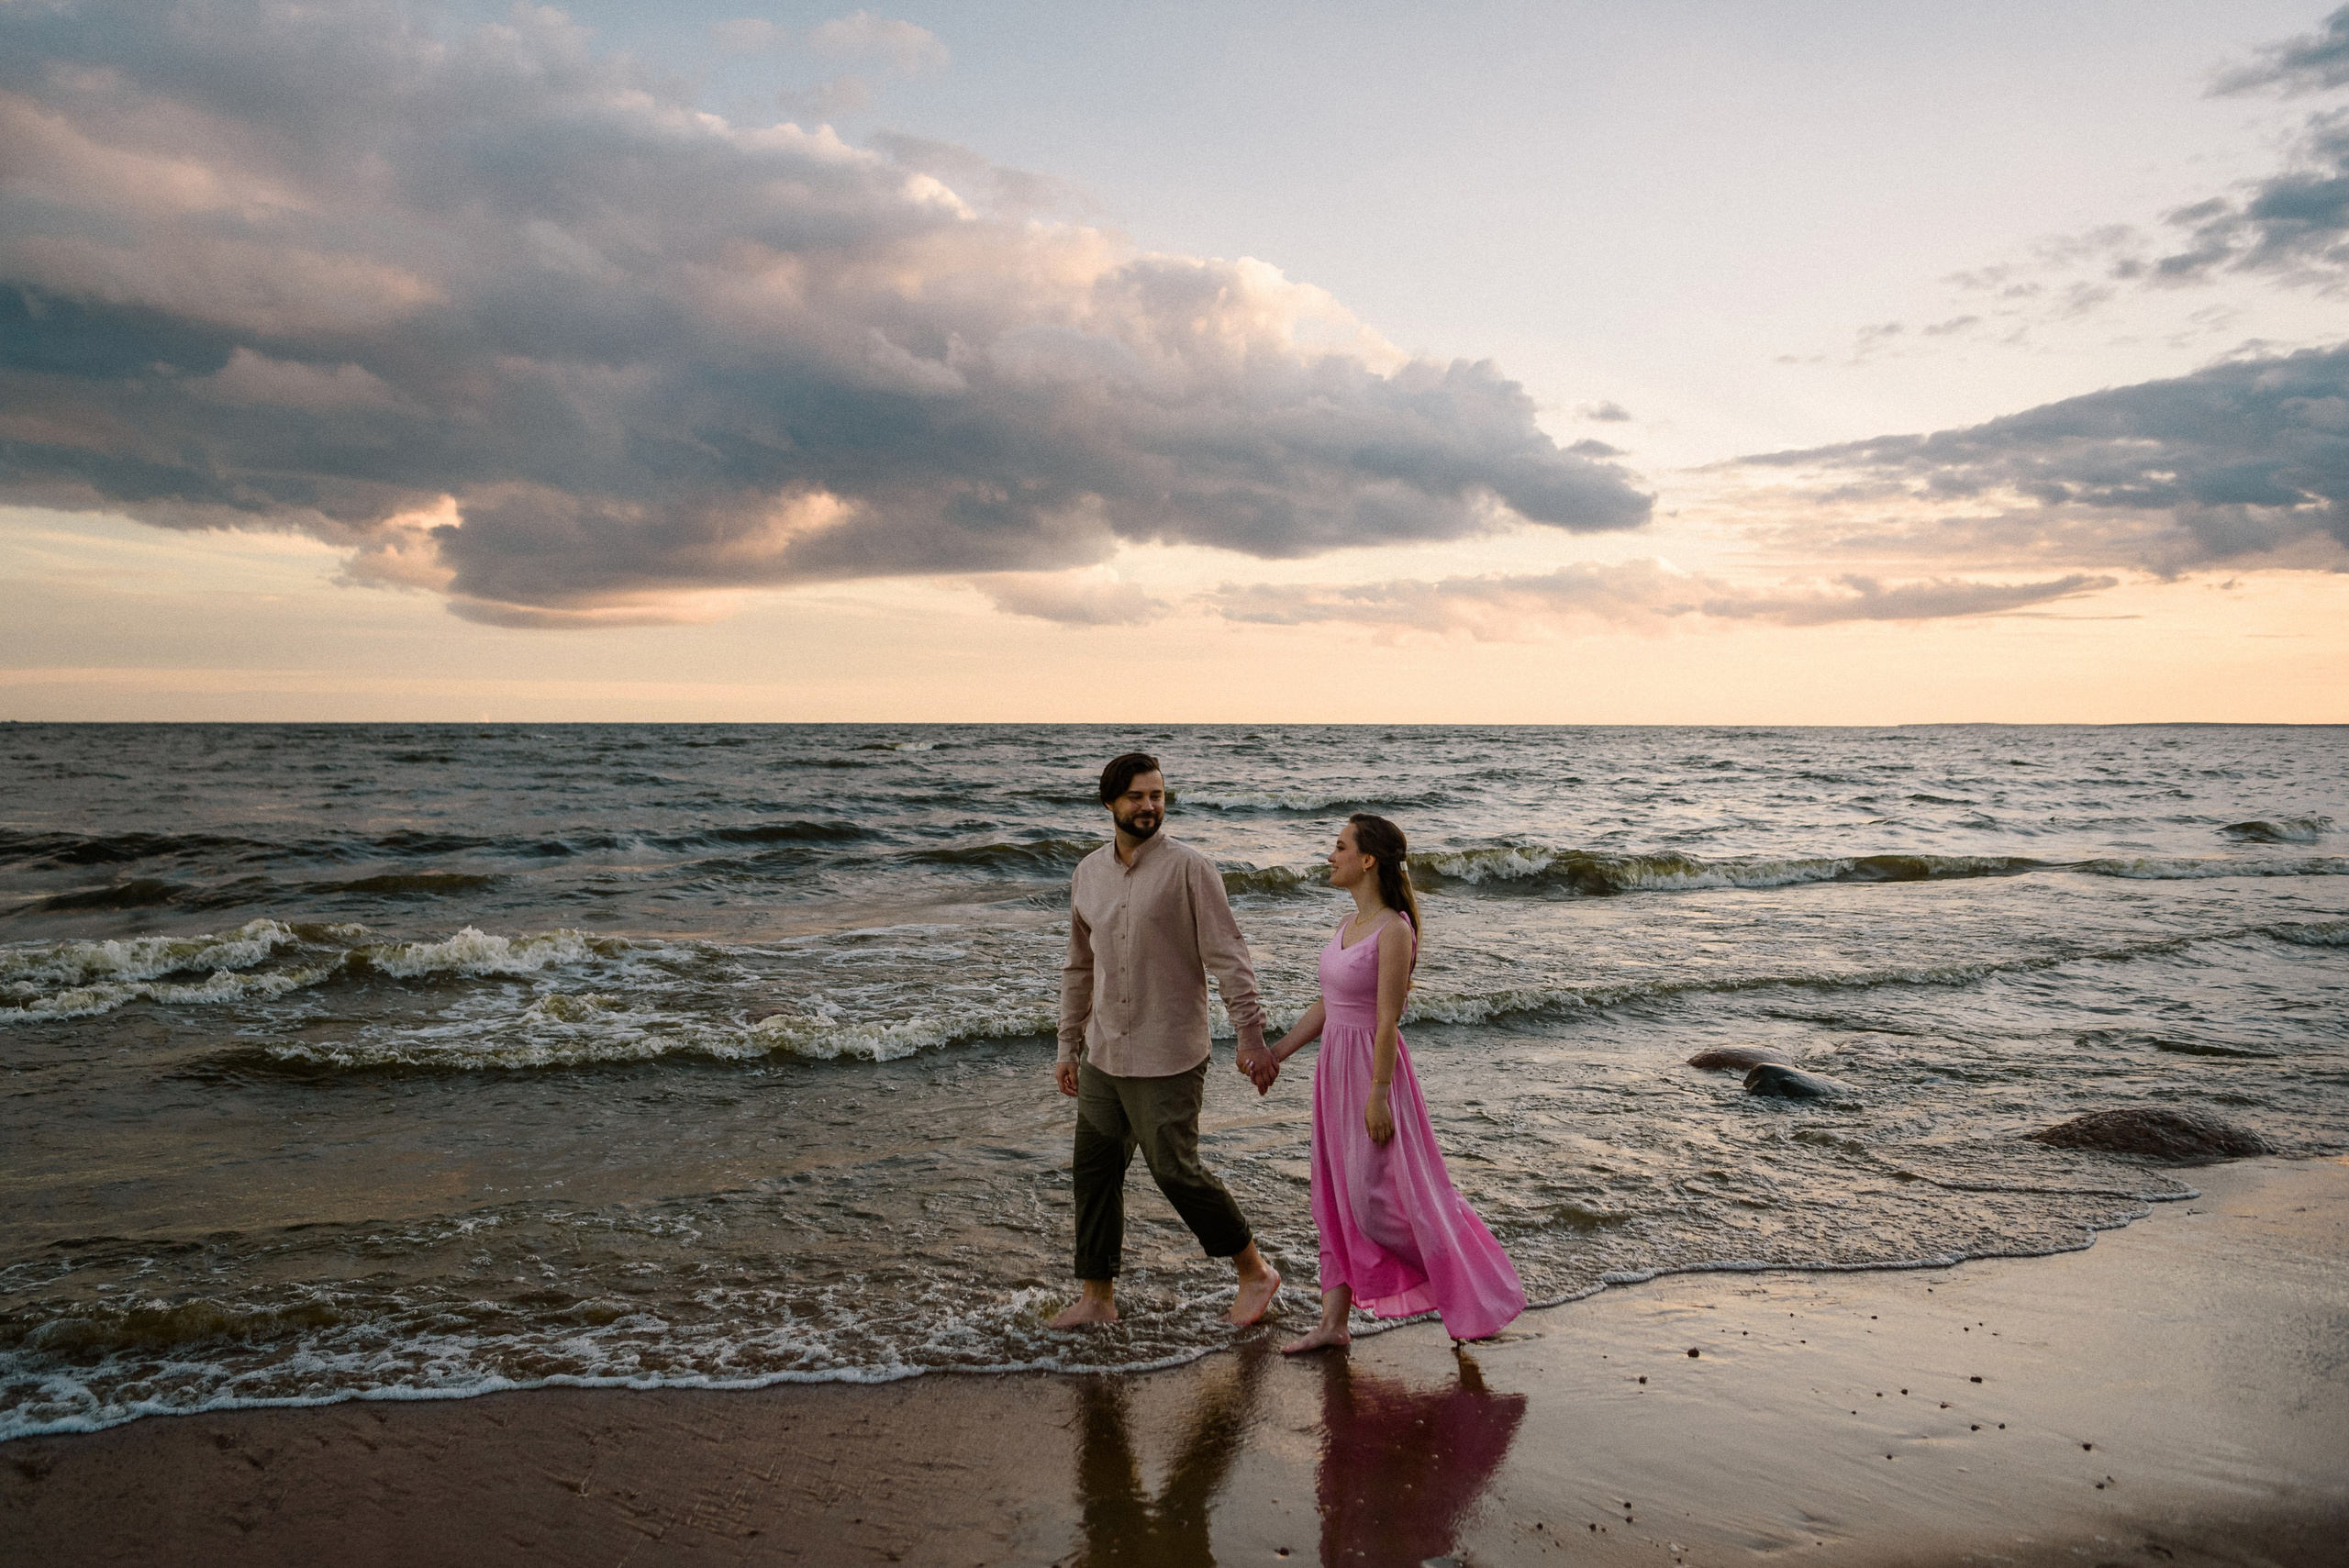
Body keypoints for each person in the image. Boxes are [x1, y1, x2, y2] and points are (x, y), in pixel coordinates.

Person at [1270, 813, 1525, 1351]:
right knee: (1334, 1197)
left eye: (1340, 847)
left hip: (1372, 1073)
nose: (1331, 856)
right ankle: (1333, 1324)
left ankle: (1469, 1282)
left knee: (1377, 1207)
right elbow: (1329, 1004)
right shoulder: (1347, 925)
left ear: (1367, 860)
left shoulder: (1394, 930)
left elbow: (1387, 1019)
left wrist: (1379, 1094)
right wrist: (1278, 1053)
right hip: (1333, 1073)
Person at [1050, 751, 1284, 1330]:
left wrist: (1250, 1037)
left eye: (1157, 795)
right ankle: (1097, 1298)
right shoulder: (1088, 874)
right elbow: (1079, 968)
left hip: (1169, 1053)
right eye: (1136, 796)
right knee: (1094, 1172)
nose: (1149, 806)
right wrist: (1067, 1046)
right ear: (1110, 802)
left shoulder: (1190, 869)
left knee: (1176, 1170)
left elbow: (1229, 957)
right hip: (1104, 1053)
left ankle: (1255, 1272)